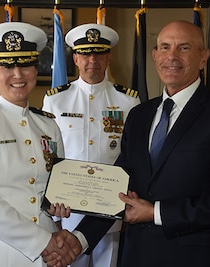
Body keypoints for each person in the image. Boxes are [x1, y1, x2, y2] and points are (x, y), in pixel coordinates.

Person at [44, 19, 210, 267]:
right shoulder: (140, 115)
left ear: (203, 57)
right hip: (137, 255)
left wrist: (156, 212)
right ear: (155, 55)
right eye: (165, 47)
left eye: (184, 48)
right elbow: (119, 186)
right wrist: (79, 239)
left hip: (194, 257)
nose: (172, 56)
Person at [0, 22, 80, 267]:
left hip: (46, 254)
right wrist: (46, 242)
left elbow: (50, 191)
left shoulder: (48, 125)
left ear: (36, 69)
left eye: (25, 65)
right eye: (7, 66)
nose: (18, 75)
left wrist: (58, 205)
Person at [42, 23, 141, 267]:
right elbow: (47, 154)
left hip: (110, 205)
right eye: (85, 54)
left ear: (109, 57)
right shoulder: (56, 99)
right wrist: (48, 205)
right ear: (75, 58)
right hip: (68, 207)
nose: (92, 60)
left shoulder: (128, 100)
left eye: (98, 53)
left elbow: (135, 155)